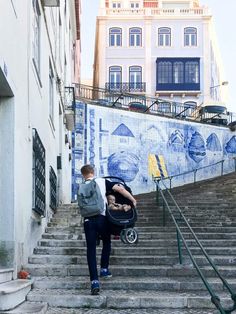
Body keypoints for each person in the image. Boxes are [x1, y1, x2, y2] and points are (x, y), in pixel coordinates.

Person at [80, 164, 137, 295]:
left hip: (88, 221)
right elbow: (121, 190)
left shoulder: (82, 186)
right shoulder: (101, 181)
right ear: (93, 172)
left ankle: (94, 281)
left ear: (83, 174)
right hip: (102, 219)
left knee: (91, 250)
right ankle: (104, 269)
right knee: (107, 241)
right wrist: (133, 200)